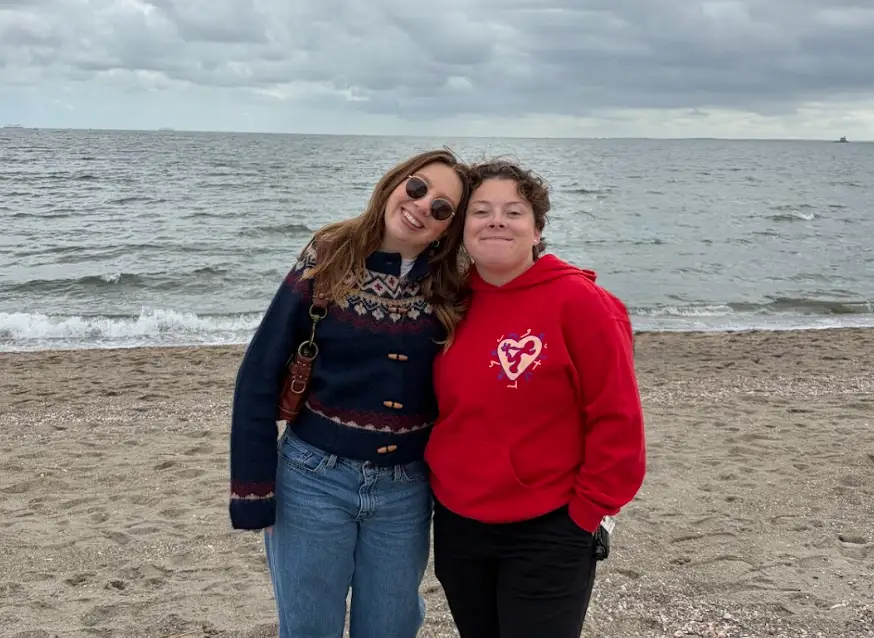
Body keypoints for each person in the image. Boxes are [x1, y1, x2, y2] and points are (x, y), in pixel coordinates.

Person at [228, 148, 471, 638]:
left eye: (443, 208)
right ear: (396, 182)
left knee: (390, 628)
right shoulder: (329, 252)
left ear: (449, 227)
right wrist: (255, 492)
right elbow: (259, 370)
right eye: (419, 188)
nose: (424, 206)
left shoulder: (455, 284)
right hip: (312, 481)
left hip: (407, 491)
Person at [425, 159, 646, 638]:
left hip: (549, 527)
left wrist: (585, 517)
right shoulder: (449, 303)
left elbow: (617, 420)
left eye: (513, 211)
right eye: (480, 211)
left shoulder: (582, 303)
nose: (496, 220)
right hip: (459, 525)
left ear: (537, 228)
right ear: (462, 229)